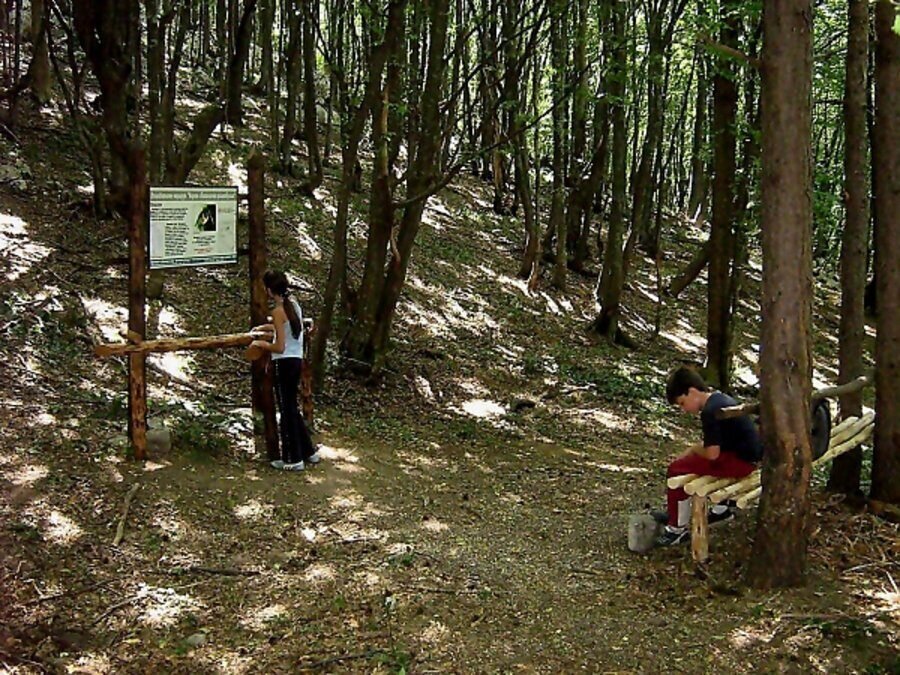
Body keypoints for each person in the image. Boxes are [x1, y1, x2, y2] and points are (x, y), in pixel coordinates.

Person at [656, 366, 763, 546]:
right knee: (688, 463)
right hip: (749, 458)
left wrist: (693, 450)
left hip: (740, 463)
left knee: (676, 469)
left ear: (692, 391)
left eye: (682, 403)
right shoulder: (720, 398)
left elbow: (712, 455)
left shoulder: (709, 411)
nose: (683, 409)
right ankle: (719, 510)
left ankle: (676, 528)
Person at [251, 271, 320, 471]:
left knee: (287, 410)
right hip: (295, 360)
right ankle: (308, 451)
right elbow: (286, 328)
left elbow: (279, 346)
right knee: (291, 408)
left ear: (269, 290)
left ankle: (293, 459)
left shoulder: (279, 311)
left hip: (284, 363)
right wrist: (267, 327)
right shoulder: (293, 305)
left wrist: (261, 344)